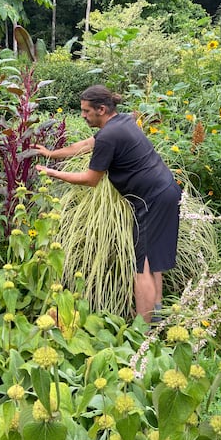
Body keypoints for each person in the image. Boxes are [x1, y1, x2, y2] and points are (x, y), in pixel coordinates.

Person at [35, 85, 181, 324]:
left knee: (141, 264)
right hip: (166, 192)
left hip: (151, 200)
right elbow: (85, 144)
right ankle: (156, 314)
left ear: (101, 109)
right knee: (152, 260)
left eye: (86, 111)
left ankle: (143, 331)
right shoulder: (121, 122)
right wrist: (52, 154)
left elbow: (91, 180)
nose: (82, 115)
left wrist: (52, 173)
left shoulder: (109, 135)